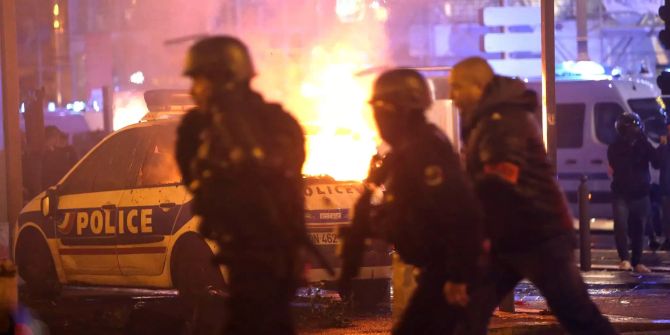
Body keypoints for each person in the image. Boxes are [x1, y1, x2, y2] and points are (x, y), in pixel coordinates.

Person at [450, 57, 618, 335]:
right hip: (510, 236)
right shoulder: (489, 120)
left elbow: (496, 186)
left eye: (458, 87)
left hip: (540, 236)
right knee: (466, 314)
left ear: (478, 86)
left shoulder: (501, 122)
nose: (453, 96)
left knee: (578, 316)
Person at [176, 36, 307, 335]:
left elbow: (284, 176)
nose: (193, 90)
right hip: (238, 252)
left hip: (270, 256)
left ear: (221, 78)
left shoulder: (277, 124)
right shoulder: (197, 128)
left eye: (199, 79)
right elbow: (195, 180)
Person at [340, 68, 484, 335]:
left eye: (381, 108)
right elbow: (412, 213)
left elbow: (462, 214)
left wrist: (458, 276)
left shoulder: (425, 149)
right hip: (438, 269)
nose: (377, 117)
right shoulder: (407, 149)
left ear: (399, 110)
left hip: (449, 272)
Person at [608, 112, 659, 273]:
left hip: (641, 192)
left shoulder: (643, 144)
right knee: (621, 226)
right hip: (621, 193)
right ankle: (624, 259)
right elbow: (619, 165)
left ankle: (637, 261)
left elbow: (656, 162)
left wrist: (659, 145)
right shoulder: (615, 146)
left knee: (639, 228)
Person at [41, 126, 78, 190]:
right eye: (56, 136)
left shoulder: (63, 151)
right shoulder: (45, 153)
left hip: (57, 186)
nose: (58, 139)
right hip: (54, 187)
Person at [656, 122, 670, 250]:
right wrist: (662, 146)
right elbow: (657, 163)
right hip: (666, 188)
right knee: (666, 215)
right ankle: (668, 239)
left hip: (667, 186)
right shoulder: (665, 147)